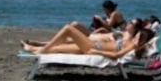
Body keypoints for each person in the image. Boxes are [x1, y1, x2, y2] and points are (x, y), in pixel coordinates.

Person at [22, 17, 153, 59]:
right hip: (91, 45)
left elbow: (116, 55)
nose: (136, 37)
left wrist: (97, 52)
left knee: (68, 28)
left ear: (140, 41)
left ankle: (43, 50)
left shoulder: (132, 45)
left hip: (92, 47)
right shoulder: (130, 41)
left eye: (138, 37)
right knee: (60, 48)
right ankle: (32, 48)